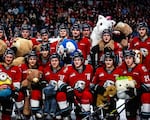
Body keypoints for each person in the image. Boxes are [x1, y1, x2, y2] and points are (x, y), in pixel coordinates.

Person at [57, 50, 94, 119]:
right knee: (60, 95)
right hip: (72, 94)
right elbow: (60, 82)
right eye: (75, 60)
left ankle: (85, 115)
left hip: (85, 94)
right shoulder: (68, 69)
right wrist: (67, 88)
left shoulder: (89, 68)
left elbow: (94, 81)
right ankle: (66, 116)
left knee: (86, 94)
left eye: (78, 60)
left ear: (82, 60)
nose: (76, 62)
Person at [91, 50, 123, 119]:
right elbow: (92, 85)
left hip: (112, 97)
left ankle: (113, 113)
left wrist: (116, 93)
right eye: (106, 60)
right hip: (100, 96)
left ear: (114, 60)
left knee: (110, 117)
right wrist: (98, 87)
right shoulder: (99, 70)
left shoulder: (119, 71)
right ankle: (97, 112)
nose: (108, 62)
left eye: (110, 60)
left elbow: (122, 86)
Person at [119, 49, 150, 120]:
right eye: (126, 58)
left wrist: (136, 91)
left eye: (130, 58)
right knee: (130, 116)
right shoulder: (122, 68)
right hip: (130, 96)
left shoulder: (141, 68)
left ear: (133, 58)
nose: (128, 60)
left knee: (146, 96)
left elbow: (148, 86)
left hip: (140, 95)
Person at [42, 53, 68, 119]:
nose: (54, 62)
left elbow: (67, 83)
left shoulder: (65, 70)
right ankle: (47, 111)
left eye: (56, 60)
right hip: (49, 95)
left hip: (60, 94)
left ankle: (61, 112)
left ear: (59, 61)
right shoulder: (46, 70)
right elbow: (43, 82)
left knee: (60, 94)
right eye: (52, 61)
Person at [19, 50, 43, 118]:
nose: (32, 61)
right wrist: (22, 86)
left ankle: (36, 111)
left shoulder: (40, 68)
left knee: (36, 93)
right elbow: (19, 79)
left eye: (34, 59)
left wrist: (37, 85)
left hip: (35, 89)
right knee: (19, 95)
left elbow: (41, 80)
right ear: (27, 59)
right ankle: (20, 112)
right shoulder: (22, 67)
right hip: (24, 89)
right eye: (31, 59)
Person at [0, 48, 22, 120]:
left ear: (13, 58)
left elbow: (17, 82)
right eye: (7, 57)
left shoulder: (16, 69)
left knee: (6, 115)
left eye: (10, 57)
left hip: (8, 94)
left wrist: (14, 91)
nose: (9, 59)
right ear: (4, 57)